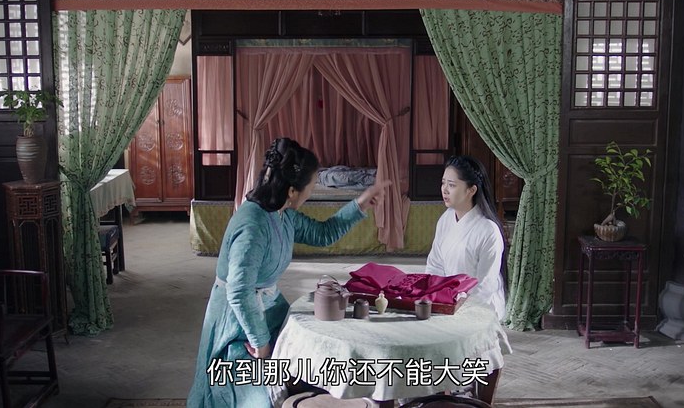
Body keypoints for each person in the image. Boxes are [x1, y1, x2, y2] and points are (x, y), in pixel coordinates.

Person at [187, 137, 389, 408]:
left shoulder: (282, 212)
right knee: (256, 397)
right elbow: (239, 290)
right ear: (292, 190)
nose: (311, 191)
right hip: (238, 322)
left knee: (312, 365)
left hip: (269, 310)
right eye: (311, 186)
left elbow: (323, 233)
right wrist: (261, 343)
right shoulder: (253, 225)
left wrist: (360, 204)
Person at [425, 155, 506, 320]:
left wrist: (462, 304)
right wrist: (434, 294)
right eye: (443, 183)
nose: (445, 190)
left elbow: (486, 284)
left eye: (452, 185)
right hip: (449, 299)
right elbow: (435, 265)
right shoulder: (446, 219)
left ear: (471, 190)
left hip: (481, 303)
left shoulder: (488, 230)